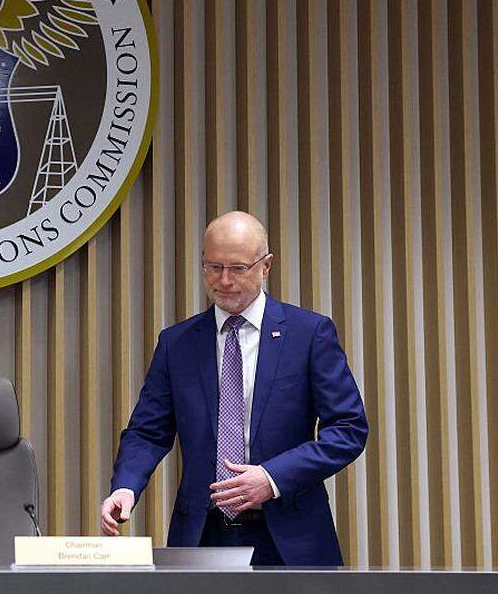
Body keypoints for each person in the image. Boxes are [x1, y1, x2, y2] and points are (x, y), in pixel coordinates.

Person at [99, 211, 367, 566]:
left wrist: (272, 477)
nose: (224, 280)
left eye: (238, 268)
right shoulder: (177, 343)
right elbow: (147, 431)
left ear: (265, 266)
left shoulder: (309, 334)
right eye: (214, 267)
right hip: (203, 535)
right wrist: (126, 487)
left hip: (290, 536)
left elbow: (348, 429)